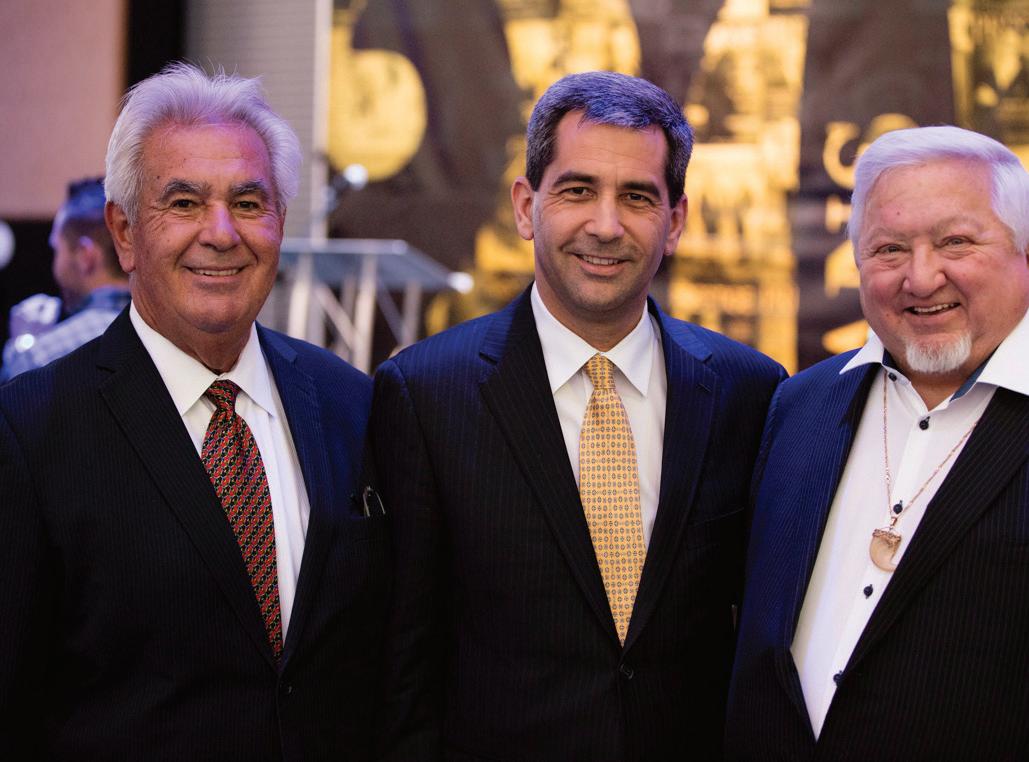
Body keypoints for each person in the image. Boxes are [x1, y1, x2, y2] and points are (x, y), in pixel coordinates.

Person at [370, 70, 786, 761]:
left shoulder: (750, 393)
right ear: (526, 207)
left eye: (637, 197)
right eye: (577, 190)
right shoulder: (424, 395)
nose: (606, 225)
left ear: (675, 222)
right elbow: (402, 664)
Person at [0, 63, 387, 760]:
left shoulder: (349, 404)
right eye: (183, 202)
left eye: (248, 202)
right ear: (124, 233)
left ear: (279, 223)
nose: (221, 232)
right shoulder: (31, 430)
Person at [726, 125, 1029, 759]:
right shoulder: (799, 406)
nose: (921, 277)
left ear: (1021, 249)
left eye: (955, 242)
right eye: (889, 249)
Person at [1, 177, 130, 380]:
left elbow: (15, 395)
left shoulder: (41, 357)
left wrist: (24, 343)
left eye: (56, 249)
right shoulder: (166, 336)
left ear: (85, 256)